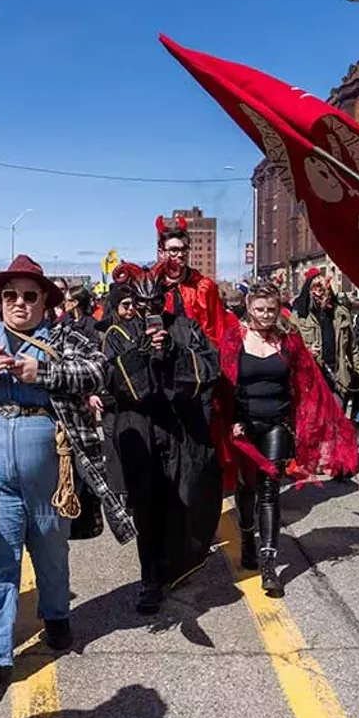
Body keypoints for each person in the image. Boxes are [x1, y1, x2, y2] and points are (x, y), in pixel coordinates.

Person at [0, 255, 135, 707]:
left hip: (52, 474)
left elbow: (97, 370)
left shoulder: (64, 337)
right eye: (11, 296)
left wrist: (41, 372)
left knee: (51, 550)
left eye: (30, 295)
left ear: (45, 300)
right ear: (0, 301)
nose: (20, 303)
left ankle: (56, 615)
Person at [213, 282, 358, 594]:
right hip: (243, 427)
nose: (266, 315)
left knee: (270, 489)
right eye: (260, 309)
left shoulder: (289, 341)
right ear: (249, 308)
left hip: (277, 425)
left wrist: (312, 421)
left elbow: (307, 381)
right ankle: (247, 538)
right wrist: (232, 420)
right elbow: (224, 386)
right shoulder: (233, 338)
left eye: (271, 310)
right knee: (246, 487)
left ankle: (268, 565)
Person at [101, 262, 222, 614]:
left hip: (180, 428)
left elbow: (209, 370)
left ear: (165, 300)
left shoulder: (185, 328)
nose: (150, 310)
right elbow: (111, 381)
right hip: (139, 426)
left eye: (157, 303)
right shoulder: (117, 335)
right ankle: (149, 577)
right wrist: (139, 354)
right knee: (147, 504)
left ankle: (174, 563)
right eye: (143, 304)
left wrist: (172, 353)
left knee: (183, 498)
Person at [290, 268, 359, 404]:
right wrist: (306, 351)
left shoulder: (341, 314)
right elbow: (289, 348)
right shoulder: (299, 317)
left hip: (337, 378)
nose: (323, 295)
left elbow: (352, 348)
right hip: (311, 380)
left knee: (337, 421)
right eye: (317, 290)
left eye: (325, 290)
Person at [156, 215, 236, 345]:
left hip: (198, 358)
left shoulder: (205, 287)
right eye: (174, 250)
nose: (180, 255)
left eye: (184, 249)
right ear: (161, 252)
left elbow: (218, 329)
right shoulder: (152, 287)